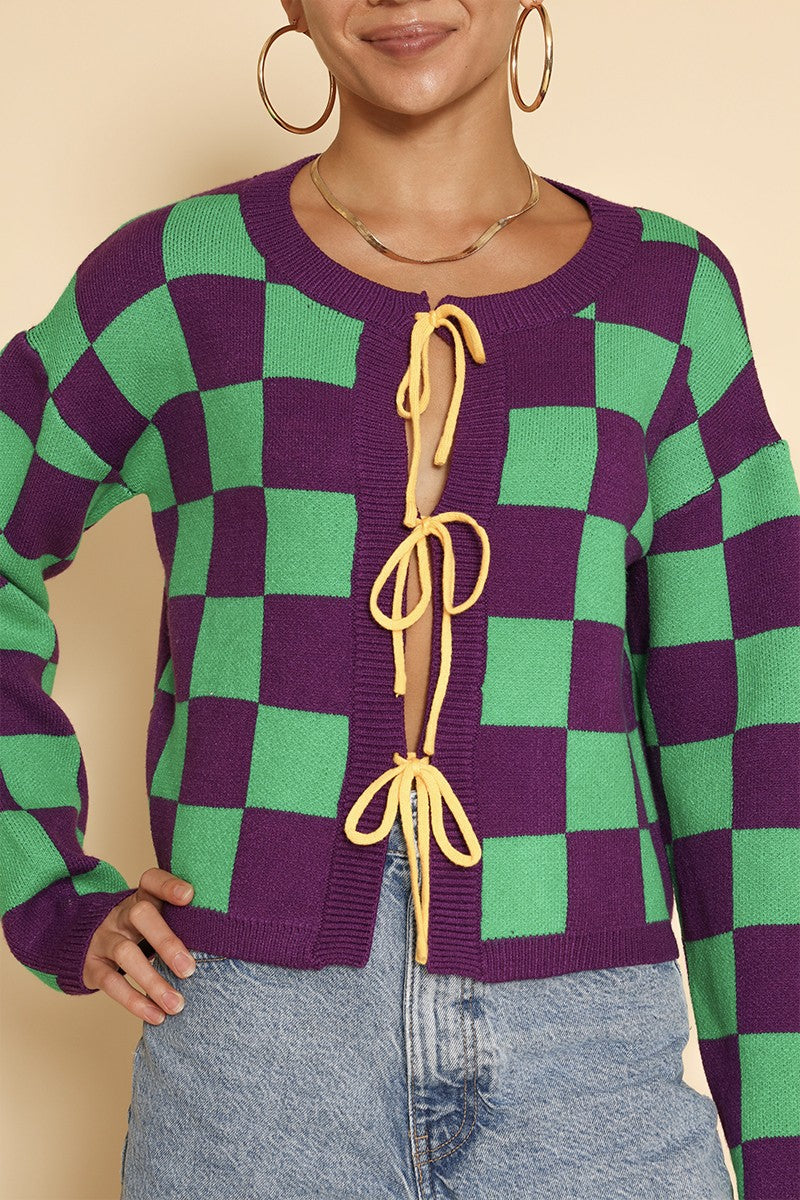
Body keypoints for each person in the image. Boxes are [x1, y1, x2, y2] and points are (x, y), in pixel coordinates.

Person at [1, 2, 797, 1197]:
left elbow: (749, 740)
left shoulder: (666, 301)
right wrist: (44, 887)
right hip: (251, 1063)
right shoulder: (180, 280)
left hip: (589, 1064)